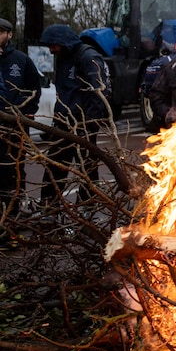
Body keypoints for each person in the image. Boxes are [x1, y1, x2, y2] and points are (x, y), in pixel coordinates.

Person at [38, 24, 112, 203]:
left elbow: (98, 93)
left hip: (83, 125)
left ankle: (88, 203)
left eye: (53, 45)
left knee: (87, 167)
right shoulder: (64, 57)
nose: (51, 49)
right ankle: (49, 204)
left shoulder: (87, 57)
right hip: (64, 123)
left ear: (63, 42)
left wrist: (89, 125)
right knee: (55, 164)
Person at [0, 19, 42, 218]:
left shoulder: (21, 60)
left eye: (0, 32)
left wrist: (27, 111)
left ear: (9, 34)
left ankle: (14, 212)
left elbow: (34, 88)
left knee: (14, 168)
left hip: (14, 124)